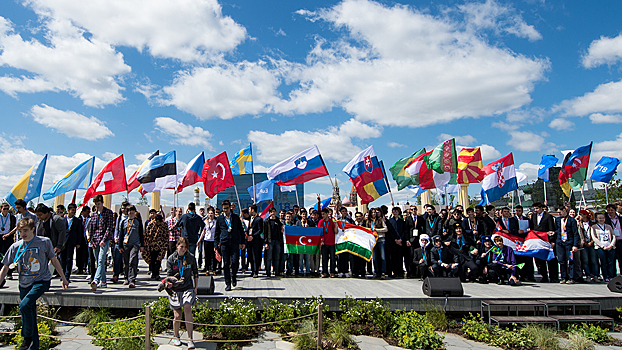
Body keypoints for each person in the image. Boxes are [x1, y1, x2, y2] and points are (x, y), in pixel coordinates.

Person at [0, 218, 69, 350]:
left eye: (25, 230)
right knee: (30, 313)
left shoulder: (44, 242)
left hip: (41, 281)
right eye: (20, 231)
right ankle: (33, 346)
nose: (23, 234)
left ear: (33, 229)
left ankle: (26, 338)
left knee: (24, 305)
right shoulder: (16, 246)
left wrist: (63, 278)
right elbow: (5, 267)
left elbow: (54, 260)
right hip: (24, 282)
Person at [167, 237, 198, 349]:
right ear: (177, 246)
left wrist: (196, 287)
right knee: (177, 314)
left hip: (187, 287)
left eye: (185, 247)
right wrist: (169, 283)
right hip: (176, 290)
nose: (183, 249)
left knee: (187, 307)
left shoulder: (190, 257)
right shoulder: (171, 259)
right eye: (181, 247)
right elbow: (168, 275)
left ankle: (190, 338)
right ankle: (176, 336)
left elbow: (195, 272)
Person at [214, 200, 245, 291]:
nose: (225, 210)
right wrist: (216, 245)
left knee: (235, 262)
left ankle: (234, 276)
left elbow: (241, 231)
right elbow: (217, 233)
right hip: (224, 243)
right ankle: (228, 283)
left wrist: (242, 242)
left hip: (234, 243)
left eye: (227, 208)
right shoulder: (219, 219)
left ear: (230, 208)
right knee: (226, 263)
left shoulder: (235, 218)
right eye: (224, 209)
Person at [88, 195, 114, 291]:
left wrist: (104, 240)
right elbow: (91, 228)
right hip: (95, 239)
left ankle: (96, 279)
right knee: (98, 261)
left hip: (104, 239)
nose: (97, 206)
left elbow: (109, 227)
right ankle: (103, 281)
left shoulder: (108, 213)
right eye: (95, 204)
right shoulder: (93, 214)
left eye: (98, 204)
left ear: (102, 203)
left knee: (101, 260)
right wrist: (91, 241)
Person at [529, 202, 559, 283]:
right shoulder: (534, 216)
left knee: (551, 259)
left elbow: (551, 228)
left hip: (546, 240)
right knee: (540, 260)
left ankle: (553, 277)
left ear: (542, 208)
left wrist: (552, 240)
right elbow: (532, 227)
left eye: (537, 208)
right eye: (535, 209)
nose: (536, 210)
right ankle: (544, 276)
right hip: (538, 241)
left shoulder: (548, 216)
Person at [118, 206, 144, 288]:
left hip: (135, 244)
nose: (131, 212)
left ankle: (132, 279)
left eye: (132, 211)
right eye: (129, 211)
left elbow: (141, 234)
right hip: (126, 244)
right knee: (126, 262)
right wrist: (120, 246)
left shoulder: (138, 222)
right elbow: (121, 235)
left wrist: (142, 245)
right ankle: (126, 278)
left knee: (133, 260)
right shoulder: (124, 222)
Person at [555, 205, 580, 284]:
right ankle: (563, 277)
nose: (559, 214)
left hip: (569, 243)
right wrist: (553, 233)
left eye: (560, 212)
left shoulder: (572, 220)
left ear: (565, 210)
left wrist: (575, 245)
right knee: (561, 260)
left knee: (571, 260)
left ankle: (572, 277)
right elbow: (558, 230)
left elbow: (575, 233)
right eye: (558, 212)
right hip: (560, 242)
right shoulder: (558, 220)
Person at [61, 203, 84, 283]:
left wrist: (78, 243)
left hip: (72, 241)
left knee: (69, 258)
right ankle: (62, 274)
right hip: (63, 241)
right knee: (62, 258)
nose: (73, 212)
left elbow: (79, 232)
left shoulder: (77, 220)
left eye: (74, 210)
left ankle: (67, 275)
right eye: (72, 210)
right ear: (68, 210)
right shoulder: (62, 220)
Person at [592, 212, 616, 282]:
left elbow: (613, 236)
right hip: (600, 247)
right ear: (596, 219)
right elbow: (594, 237)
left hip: (610, 246)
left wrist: (611, 245)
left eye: (602, 218)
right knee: (603, 262)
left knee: (610, 262)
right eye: (600, 218)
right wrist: (602, 246)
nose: (601, 219)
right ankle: (605, 276)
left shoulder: (608, 226)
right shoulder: (594, 227)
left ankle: (611, 276)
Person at [143, 214, 168, 281]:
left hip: (160, 246)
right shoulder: (150, 224)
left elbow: (166, 236)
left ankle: (157, 274)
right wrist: (147, 244)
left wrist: (165, 245)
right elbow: (147, 235)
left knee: (158, 260)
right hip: (152, 246)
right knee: (152, 259)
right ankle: (153, 272)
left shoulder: (164, 225)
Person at [578, 210, 599, 282]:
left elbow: (596, 234)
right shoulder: (579, 224)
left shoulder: (592, 224)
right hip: (584, 244)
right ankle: (588, 275)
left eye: (581, 215)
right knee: (585, 260)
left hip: (592, 243)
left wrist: (592, 242)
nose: (580, 216)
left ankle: (596, 275)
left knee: (594, 261)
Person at [111, 201, 129, 284]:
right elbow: (116, 229)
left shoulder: (130, 218)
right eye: (122, 208)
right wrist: (115, 236)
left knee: (126, 259)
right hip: (119, 241)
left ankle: (127, 276)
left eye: (125, 208)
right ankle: (115, 275)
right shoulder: (119, 218)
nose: (124, 210)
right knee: (117, 258)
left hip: (127, 241)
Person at [387, 207, 407, 278]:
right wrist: (395, 240)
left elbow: (404, 231)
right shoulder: (390, 221)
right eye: (394, 211)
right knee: (393, 258)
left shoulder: (402, 222)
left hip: (400, 242)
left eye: (396, 211)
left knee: (400, 257)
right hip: (393, 242)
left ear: (399, 212)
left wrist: (401, 239)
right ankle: (395, 272)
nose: (395, 213)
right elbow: (389, 232)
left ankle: (400, 272)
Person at [319, 207, 338, 278]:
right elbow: (319, 232)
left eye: (324, 214)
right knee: (324, 258)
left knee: (333, 258)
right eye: (322, 214)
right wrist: (321, 239)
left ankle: (332, 272)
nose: (323, 215)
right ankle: (325, 272)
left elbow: (336, 232)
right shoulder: (321, 222)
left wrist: (336, 225)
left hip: (331, 243)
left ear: (327, 214)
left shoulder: (332, 221)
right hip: (324, 243)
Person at [263, 207, 282, 278]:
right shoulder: (266, 221)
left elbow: (280, 230)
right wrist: (266, 243)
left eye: (274, 211)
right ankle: (268, 272)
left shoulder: (278, 220)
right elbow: (265, 233)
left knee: (276, 257)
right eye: (271, 212)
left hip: (277, 241)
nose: (273, 213)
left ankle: (276, 271)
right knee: (269, 258)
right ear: (269, 213)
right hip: (270, 241)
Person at [198, 207, 217, 275]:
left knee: (214, 256)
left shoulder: (216, 222)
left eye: (211, 213)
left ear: (214, 214)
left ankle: (214, 269)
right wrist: (199, 240)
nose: (210, 215)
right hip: (207, 240)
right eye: (209, 213)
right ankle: (207, 269)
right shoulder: (205, 221)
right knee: (207, 256)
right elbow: (203, 231)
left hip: (213, 240)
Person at [605, 204, 622, 275]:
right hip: (611, 242)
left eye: (612, 210)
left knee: (621, 258)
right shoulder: (606, 219)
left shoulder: (620, 218)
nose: (610, 211)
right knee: (612, 259)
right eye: (608, 210)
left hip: (620, 241)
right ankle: (612, 275)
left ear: (615, 210)